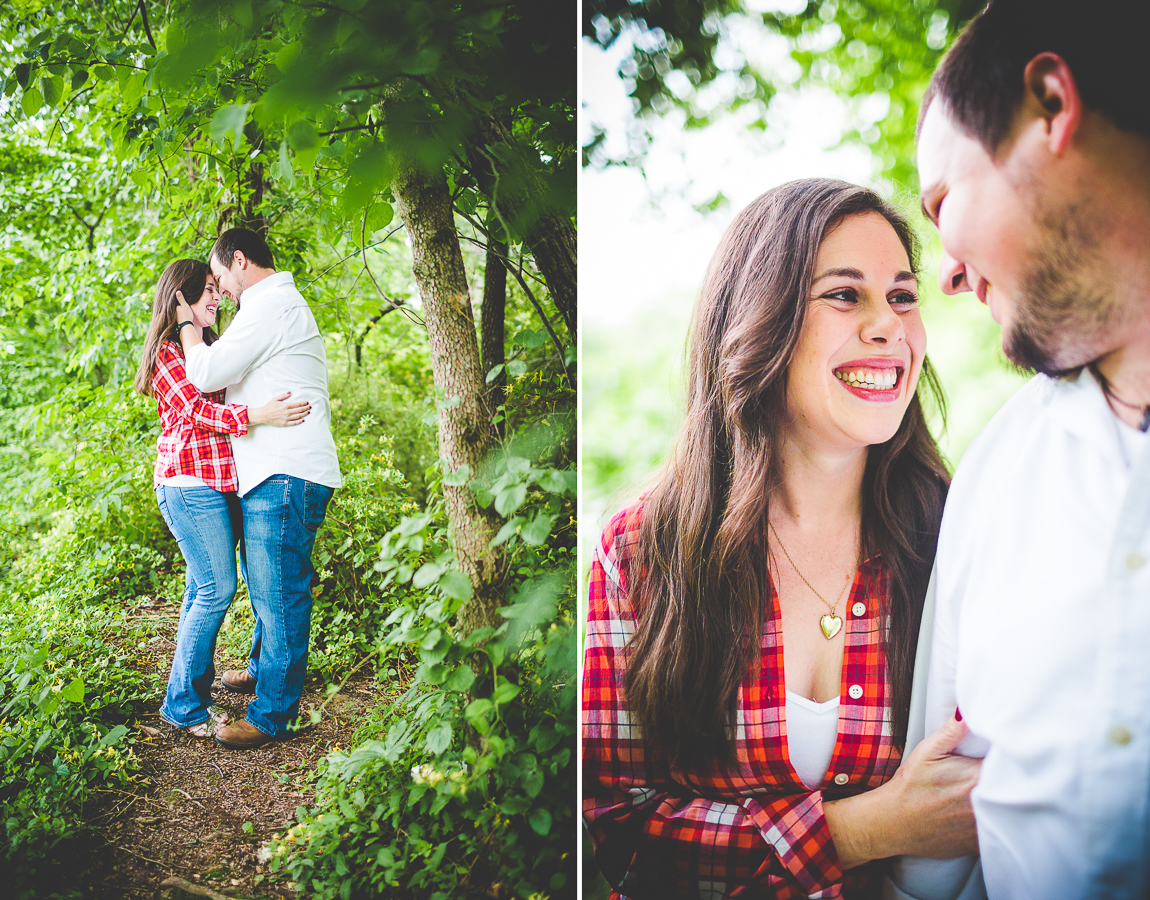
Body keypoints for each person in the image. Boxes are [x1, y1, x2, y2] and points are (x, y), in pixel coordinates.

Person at [583, 179, 982, 899]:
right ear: (759, 319)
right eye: (843, 294)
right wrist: (866, 829)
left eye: (901, 295)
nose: (889, 325)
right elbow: (619, 825)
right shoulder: (644, 550)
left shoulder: (957, 534)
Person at [891, 1, 1150, 897]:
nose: (948, 273)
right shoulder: (994, 481)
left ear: (1050, 103)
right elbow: (936, 856)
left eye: (942, 202)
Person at [174, 228, 342, 750]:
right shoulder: (274, 307)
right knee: (271, 585)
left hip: (285, 473)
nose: (219, 290)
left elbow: (203, 373)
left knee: (279, 597)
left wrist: (186, 325)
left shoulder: (269, 307)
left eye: (220, 277)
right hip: (280, 472)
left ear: (239, 261)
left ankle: (271, 716)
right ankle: (260, 670)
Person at [135, 258, 311, 739]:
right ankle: (185, 706)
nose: (216, 297)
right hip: (189, 486)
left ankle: (186, 696)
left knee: (201, 590)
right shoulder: (169, 354)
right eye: (206, 290)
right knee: (216, 590)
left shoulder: (208, 348)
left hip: (220, 486)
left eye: (217, 289)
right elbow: (196, 411)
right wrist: (260, 415)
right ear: (180, 299)